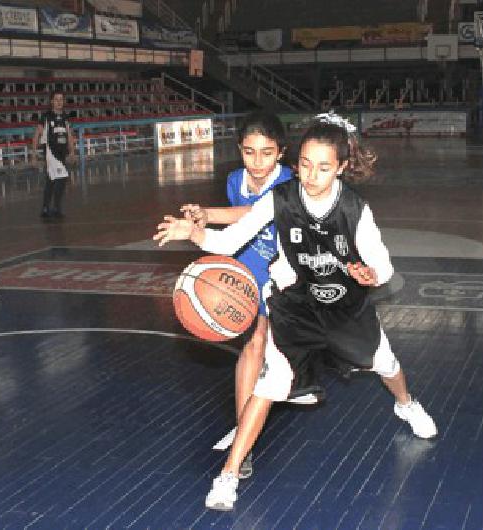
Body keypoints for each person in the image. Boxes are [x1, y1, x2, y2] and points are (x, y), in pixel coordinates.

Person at [154, 112, 437, 511]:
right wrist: (196, 233)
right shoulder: (282, 198)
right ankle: (229, 475)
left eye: (323, 167)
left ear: (340, 168)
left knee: (384, 363)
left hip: (343, 306)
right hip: (297, 306)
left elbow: (385, 267)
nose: (311, 175)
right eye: (305, 164)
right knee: (270, 384)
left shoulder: (355, 210)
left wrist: (369, 273)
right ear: (296, 163)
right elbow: (233, 238)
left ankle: (405, 403)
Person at [180, 111, 293, 481]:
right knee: (254, 343)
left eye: (266, 153)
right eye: (249, 152)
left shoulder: (290, 181)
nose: (257, 162)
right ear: (239, 150)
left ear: (281, 153)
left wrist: (208, 213)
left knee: (287, 350)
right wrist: (203, 218)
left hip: (285, 270)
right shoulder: (234, 179)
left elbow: (255, 213)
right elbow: (239, 224)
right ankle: (243, 436)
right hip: (246, 269)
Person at [30, 89, 77, 219]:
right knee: (62, 178)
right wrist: (33, 155)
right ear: (51, 101)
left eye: (61, 99)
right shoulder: (46, 117)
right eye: (56, 99)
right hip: (50, 153)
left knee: (51, 180)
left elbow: (70, 136)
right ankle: (56, 207)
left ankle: (46, 208)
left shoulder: (66, 118)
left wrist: (72, 152)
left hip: (62, 153)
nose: (59, 102)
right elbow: (36, 135)